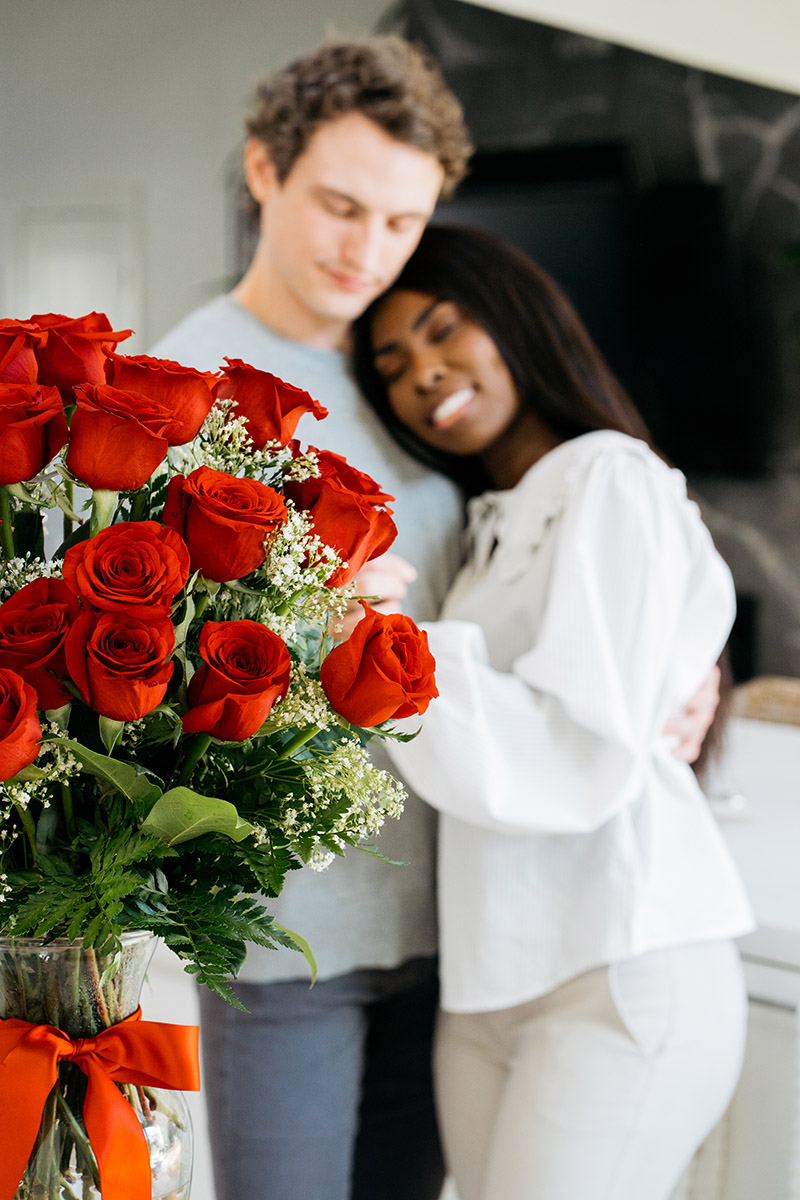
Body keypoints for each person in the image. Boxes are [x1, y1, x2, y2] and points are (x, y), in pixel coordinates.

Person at [151, 38, 722, 1200]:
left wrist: (684, 654)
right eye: (339, 206)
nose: (365, 252)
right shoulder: (183, 382)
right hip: (287, 930)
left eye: (401, 222)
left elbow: (550, 569)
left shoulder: (407, 371)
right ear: (264, 172)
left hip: (465, 923)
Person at [351, 222, 755, 1200]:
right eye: (393, 363)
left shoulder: (607, 479)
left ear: (516, 319)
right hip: (493, 976)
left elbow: (576, 748)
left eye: (446, 330)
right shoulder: (492, 521)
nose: (424, 374)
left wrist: (387, 638)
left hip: (618, 963)